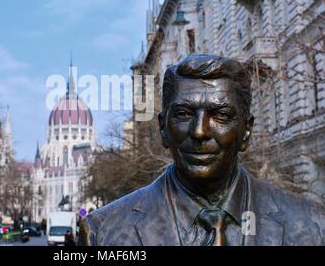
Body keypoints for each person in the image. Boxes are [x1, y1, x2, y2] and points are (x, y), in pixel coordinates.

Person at [78, 54, 325, 246]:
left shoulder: (312, 224)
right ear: (163, 128)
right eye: (184, 114)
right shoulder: (103, 231)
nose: (199, 132)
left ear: (246, 131)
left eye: (220, 115)